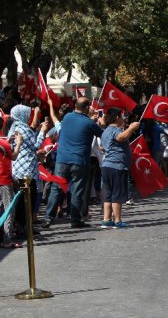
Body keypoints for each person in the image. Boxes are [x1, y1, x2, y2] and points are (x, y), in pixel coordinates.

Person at [42, 97, 104, 229]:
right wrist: (98, 122)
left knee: (56, 189)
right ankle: (75, 220)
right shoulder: (89, 123)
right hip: (79, 161)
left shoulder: (68, 117)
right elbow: (102, 134)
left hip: (62, 159)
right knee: (77, 190)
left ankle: (48, 218)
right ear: (87, 108)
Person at [9, 104, 49, 236]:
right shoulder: (22, 128)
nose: (29, 116)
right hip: (26, 170)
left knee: (21, 201)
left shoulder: (15, 127)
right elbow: (35, 145)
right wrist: (43, 131)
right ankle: (24, 228)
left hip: (19, 168)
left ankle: (23, 227)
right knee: (27, 201)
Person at [99, 108, 140, 228]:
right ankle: (117, 220)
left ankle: (106, 220)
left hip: (107, 166)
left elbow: (102, 147)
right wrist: (131, 128)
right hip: (116, 166)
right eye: (122, 117)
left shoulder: (105, 131)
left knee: (108, 194)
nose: (123, 119)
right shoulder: (114, 130)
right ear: (117, 117)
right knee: (117, 193)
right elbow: (121, 137)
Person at [0, 125, 22, 248]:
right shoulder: (4, 144)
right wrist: (18, 143)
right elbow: (13, 156)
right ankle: (7, 239)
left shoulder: (4, 143)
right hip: (3, 180)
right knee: (9, 210)